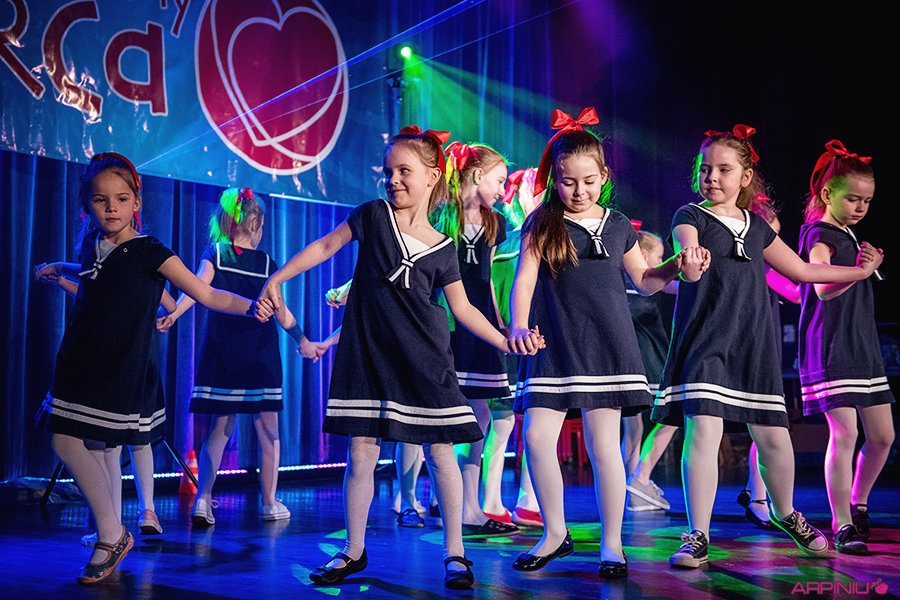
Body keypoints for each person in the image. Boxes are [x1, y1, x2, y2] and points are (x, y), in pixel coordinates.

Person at [254, 126, 541, 590]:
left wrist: (506, 339)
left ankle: (455, 553)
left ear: (432, 177)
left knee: (440, 452)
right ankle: (353, 550)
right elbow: (325, 246)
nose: (393, 180)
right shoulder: (372, 216)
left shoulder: (444, 247)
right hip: (369, 354)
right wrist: (278, 279)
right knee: (362, 452)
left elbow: (464, 308)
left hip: (425, 359)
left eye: (404, 171)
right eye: (389, 172)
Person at [651, 126, 882, 569]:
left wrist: (858, 272)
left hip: (753, 346)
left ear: (745, 177)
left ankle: (785, 512)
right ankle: (697, 535)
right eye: (705, 169)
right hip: (705, 343)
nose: (712, 177)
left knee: (775, 439)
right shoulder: (690, 216)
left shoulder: (756, 226)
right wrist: (690, 263)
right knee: (704, 432)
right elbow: (688, 254)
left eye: (723, 169)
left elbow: (802, 272)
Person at [34, 153, 256, 584]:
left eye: (121, 199)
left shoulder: (150, 251)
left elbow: (206, 294)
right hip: (77, 360)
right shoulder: (91, 244)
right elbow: (92, 281)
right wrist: (60, 269)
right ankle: (111, 530)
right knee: (73, 441)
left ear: (137, 201)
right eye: (100, 200)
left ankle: (112, 533)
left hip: (117, 365)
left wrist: (253, 306)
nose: (111, 208)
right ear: (87, 203)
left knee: (72, 441)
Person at [508, 108, 708, 579]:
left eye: (588, 181)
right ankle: (554, 533)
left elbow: (645, 281)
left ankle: (612, 545)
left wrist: (677, 265)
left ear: (604, 177)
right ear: (554, 180)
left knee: (605, 448)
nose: (579, 191)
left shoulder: (618, 225)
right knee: (536, 438)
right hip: (552, 345)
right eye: (567, 182)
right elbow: (524, 280)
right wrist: (517, 325)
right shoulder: (542, 223)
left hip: (608, 347)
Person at [157, 187, 326, 526]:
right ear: (255, 224)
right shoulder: (258, 261)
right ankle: (268, 503)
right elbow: (280, 311)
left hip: (230, 351)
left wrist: (174, 313)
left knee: (221, 427)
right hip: (256, 354)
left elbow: (197, 288)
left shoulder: (219, 254)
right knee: (268, 429)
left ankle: (203, 500)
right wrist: (303, 340)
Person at [798, 140, 893, 554]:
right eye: (852, 198)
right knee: (846, 432)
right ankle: (842, 524)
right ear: (827, 194)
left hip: (862, 347)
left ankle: (859, 502)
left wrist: (863, 266)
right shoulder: (819, 233)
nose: (860, 207)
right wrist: (862, 270)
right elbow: (821, 285)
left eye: (866, 201)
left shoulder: (847, 233)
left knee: (883, 436)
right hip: (831, 346)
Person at [34, 267, 171, 541]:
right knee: (137, 437)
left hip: (118, 357)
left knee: (110, 445)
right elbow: (168, 305)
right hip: (141, 355)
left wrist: (60, 272)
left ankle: (112, 525)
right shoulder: (138, 259)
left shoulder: (120, 257)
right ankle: (146, 511)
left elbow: (98, 296)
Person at [434, 141, 518, 537]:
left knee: (480, 416)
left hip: (481, 327)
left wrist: (503, 326)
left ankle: (470, 506)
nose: (503, 190)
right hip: (448, 324)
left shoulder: (495, 223)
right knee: (449, 416)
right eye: (499, 181)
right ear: (478, 174)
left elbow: (489, 283)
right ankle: (443, 503)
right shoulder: (439, 214)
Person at [484, 168, 542, 528]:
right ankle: (492, 500)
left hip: (530, 341)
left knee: (529, 423)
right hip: (508, 339)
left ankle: (527, 500)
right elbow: (494, 291)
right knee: (503, 423)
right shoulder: (510, 240)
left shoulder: (534, 237)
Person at [621, 230, 678, 512]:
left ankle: (629, 488)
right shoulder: (645, 280)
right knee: (673, 414)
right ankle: (639, 477)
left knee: (633, 428)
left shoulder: (622, 280)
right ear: (643, 256)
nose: (663, 261)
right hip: (647, 360)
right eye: (660, 256)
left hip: (626, 361)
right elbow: (675, 286)